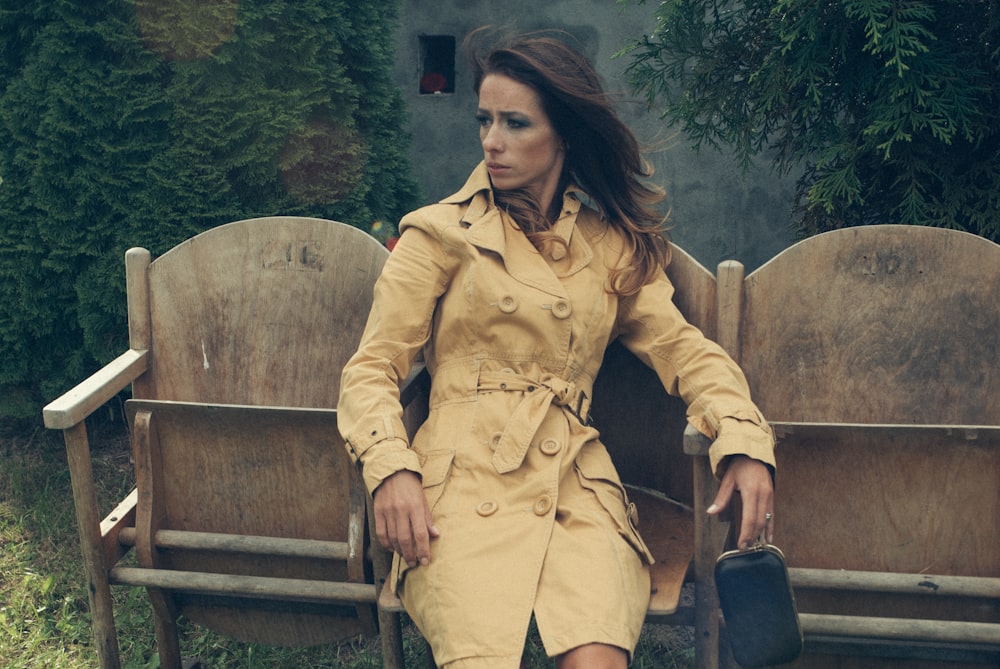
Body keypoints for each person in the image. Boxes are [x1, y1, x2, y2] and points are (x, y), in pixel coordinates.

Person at [338, 30, 775, 669]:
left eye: (516, 123)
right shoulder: (438, 233)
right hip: (453, 487)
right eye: (485, 120)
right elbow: (372, 368)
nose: (492, 140)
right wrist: (391, 468)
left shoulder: (612, 248)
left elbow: (686, 352)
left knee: (598, 657)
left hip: (572, 480)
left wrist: (742, 437)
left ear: (563, 135)